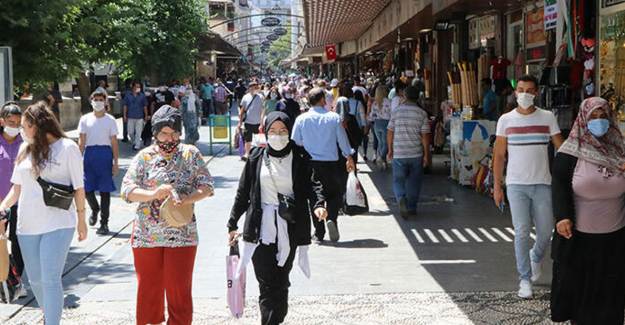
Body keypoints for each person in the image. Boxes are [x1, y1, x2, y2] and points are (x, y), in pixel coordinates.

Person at [228, 112, 327, 325]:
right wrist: (232, 223)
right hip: (259, 228)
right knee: (266, 283)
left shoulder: (300, 156)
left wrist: (319, 205)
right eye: (273, 131)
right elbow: (243, 192)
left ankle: (276, 318)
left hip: (289, 225)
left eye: (283, 131)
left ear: (290, 132)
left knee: (281, 280)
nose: (278, 135)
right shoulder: (255, 157)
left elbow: (314, 184)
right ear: (265, 132)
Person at [121, 105, 214, 325]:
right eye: (164, 133)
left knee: (179, 290)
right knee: (148, 290)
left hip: (183, 233)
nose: (169, 138)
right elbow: (127, 190)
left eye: (174, 133)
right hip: (147, 235)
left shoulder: (191, 154)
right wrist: (153, 193)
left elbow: (207, 186)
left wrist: (186, 199)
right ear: (155, 133)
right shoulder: (144, 157)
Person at [0, 102, 88, 325]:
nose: (21, 130)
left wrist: (81, 220)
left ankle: (51, 322)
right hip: (27, 225)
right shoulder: (24, 149)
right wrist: (3, 206)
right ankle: (49, 311)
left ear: (37, 125)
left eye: (24, 126)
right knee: (36, 281)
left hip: (59, 223)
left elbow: (79, 187)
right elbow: (17, 187)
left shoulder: (68, 148)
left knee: (50, 279)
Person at [551, 97, 625, 324]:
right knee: (582, 296)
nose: (599, 121)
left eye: (603, 116)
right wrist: (562, 216)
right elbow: (559, 185)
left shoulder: (620, 150)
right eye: (593, 117)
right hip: (579, 241)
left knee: (612, 295)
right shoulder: (570, 151)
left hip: (616, 241)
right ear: (583, 119)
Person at [493, 74, 564, 299]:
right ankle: (524, 279)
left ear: (536, 93)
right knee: (521, 232)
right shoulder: (505, 120)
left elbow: (561, 149)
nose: (524, 94)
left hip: (543, 183)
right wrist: (497, 186)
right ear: (515, 93)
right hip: (516, 185)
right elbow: (499, 156)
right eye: (520, 89)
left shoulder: (547, 117)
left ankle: (536, 256)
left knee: (546, 231)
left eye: (529, 90)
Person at [292, 88, 355, 243]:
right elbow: (342, 140)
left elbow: (296, 141)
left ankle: (319, 232)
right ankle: (332, 218)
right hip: (331, 164)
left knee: (314, 197)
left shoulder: (301, 119)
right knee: (334, 194)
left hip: (310, 163)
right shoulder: (333, 118)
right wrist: (349, 156)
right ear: (322, 100)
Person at [78, 92, 119, 235]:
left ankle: (104, 223)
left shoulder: (110, 120)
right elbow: (81, 140)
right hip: (89, 155)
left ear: (105, 102)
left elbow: (114, 142)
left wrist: (115, 162)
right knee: (87, 189)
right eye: (96, 100)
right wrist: (78, 158)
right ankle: (94, 208)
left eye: (101, 100)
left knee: (105, 191)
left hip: (104, 155)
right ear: (91, 101)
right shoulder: (85, 119)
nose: (98, 102)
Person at [387, 86, 431, 219]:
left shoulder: (396, 112)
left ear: (404, 96)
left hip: (399, 153)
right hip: (415, 153)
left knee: (398, 180)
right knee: (414, 181)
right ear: (417, 97)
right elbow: (425, 136)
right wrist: (427, 155)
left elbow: (390, 131)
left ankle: (401, 198)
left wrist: (390, 149)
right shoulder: (422, 113)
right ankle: (411, 207)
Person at [0, 102, 26, 297]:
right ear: (2, 121)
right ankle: (6, 279)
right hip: (0, 203)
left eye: (18, 123)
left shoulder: (26, 144)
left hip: (21, 203)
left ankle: (16, 281)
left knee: (19, 244)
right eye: (10, 122)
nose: (14, 126)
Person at [239, 81, 264, 160]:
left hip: (257, 122)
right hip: (248, 121)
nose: (254, 89)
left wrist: (261, 122)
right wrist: (240, 123)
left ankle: (258, 154)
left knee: (258, 139)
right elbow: (242, 111)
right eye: (252, 87)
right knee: (248, 139)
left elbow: (263, 110)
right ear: (249, 88)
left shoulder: (260, 97)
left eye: (256, 87)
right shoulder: (245, 97)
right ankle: (247, 153)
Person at [370, 85, 392, 170]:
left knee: (380, 142)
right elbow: (391, 113)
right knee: (385, 143)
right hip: (386, 123)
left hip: (377, 123)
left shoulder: (375, 103)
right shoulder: (388, 102)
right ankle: (382, 157)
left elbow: (372, 115)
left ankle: (383, 161)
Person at [123, 81, 149, 151]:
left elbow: (145, 106)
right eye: (137, 86)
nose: (138, 88)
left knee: (138, 132)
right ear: (133, 87)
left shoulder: (142, 96)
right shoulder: (128, 95)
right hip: (130, 116)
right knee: (130, 132)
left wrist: (146, 115)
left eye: (139, 87)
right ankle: (134, 141)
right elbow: (125, 106)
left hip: (139, 116)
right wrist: (124, 115)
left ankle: (137, 145)